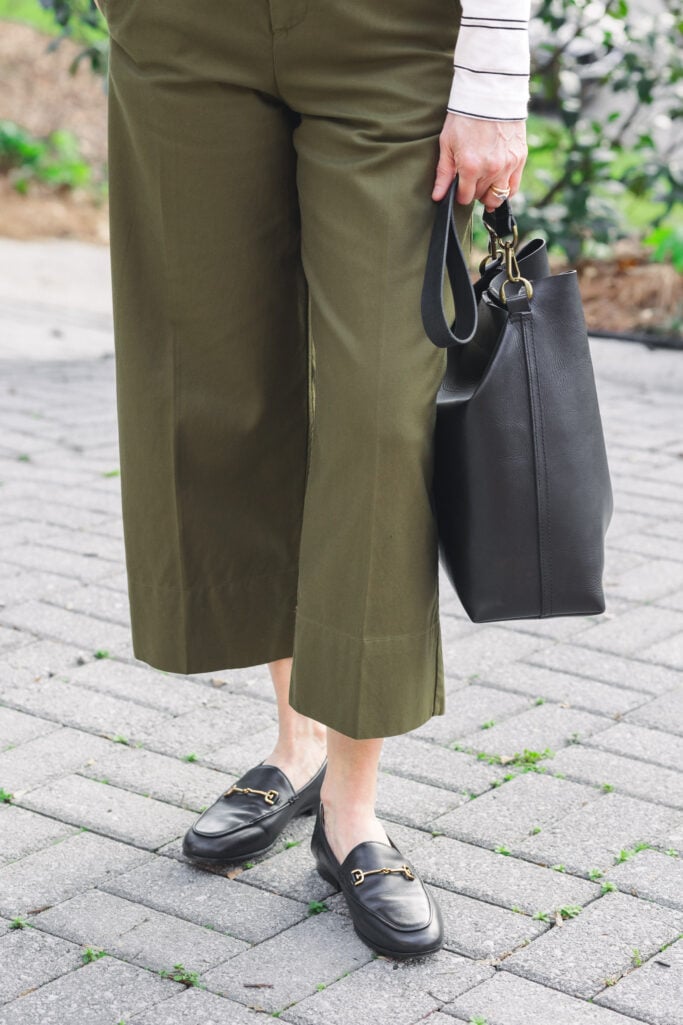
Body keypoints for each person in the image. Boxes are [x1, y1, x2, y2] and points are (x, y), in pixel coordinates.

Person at [99, 0, 530, 958]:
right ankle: (296, 745)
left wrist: (495, 76)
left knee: (381, 411)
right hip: (182, 31)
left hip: (384, 33)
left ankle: (352, 808)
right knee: (224, 385)